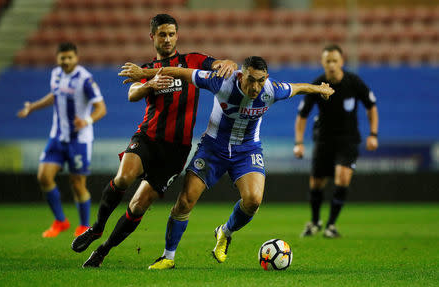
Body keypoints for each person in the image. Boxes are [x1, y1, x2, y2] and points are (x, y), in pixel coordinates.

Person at [117, 56, 334, 269]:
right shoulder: (221, 82)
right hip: (213, 148)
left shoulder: (271, 90)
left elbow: (298, 88)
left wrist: (321, 89)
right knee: (185, 202)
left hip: (247, 150)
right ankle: (168, 257)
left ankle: (225, 232)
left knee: (253, 201)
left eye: (260, 80)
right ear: (241, 75)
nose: (256, 86)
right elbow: (181, 72)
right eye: (251, 79)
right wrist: (144, 74)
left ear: (266, 77)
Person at [71, 14, 237, 267]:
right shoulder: (146, 69)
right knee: (123, 178)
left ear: (177, 35)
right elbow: (132, 94)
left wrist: (227, 62)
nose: (167, 39)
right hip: (148, 138)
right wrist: (150, 85)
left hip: (176, 151)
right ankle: (97, 227)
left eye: (171, 34)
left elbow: (218, 64)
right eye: (162, 34)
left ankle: (102, 251)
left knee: (138, 205)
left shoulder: (192, 60)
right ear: (152, 37)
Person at [16, 42, 107, 238]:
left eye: (69, 57)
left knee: (77, 184)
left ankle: (83, 227)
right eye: (62, 58)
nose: (66, 61)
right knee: (44, 177)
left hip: (79, 140)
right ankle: (61, 220)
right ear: (57, 58)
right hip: (57, 136)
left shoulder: (85, 79)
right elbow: (55, 96)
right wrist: (33, 107)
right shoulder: (56, 74)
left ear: (76, 58)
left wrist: (87, 120)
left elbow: (101, 108)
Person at [294, 44, 379, 238]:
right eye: (328, 61)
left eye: (335, 61)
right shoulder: (318, 84)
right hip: (323, 139)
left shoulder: (354, 82)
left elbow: (371, 106)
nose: (331, 65)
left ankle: (331, 225)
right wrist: (298, 143)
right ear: (323, 63)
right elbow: (302, 115)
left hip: (348, 139)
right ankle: (315, 222)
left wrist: (373, 134)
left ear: (341, 62)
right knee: (316, 183)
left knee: (342, 177)